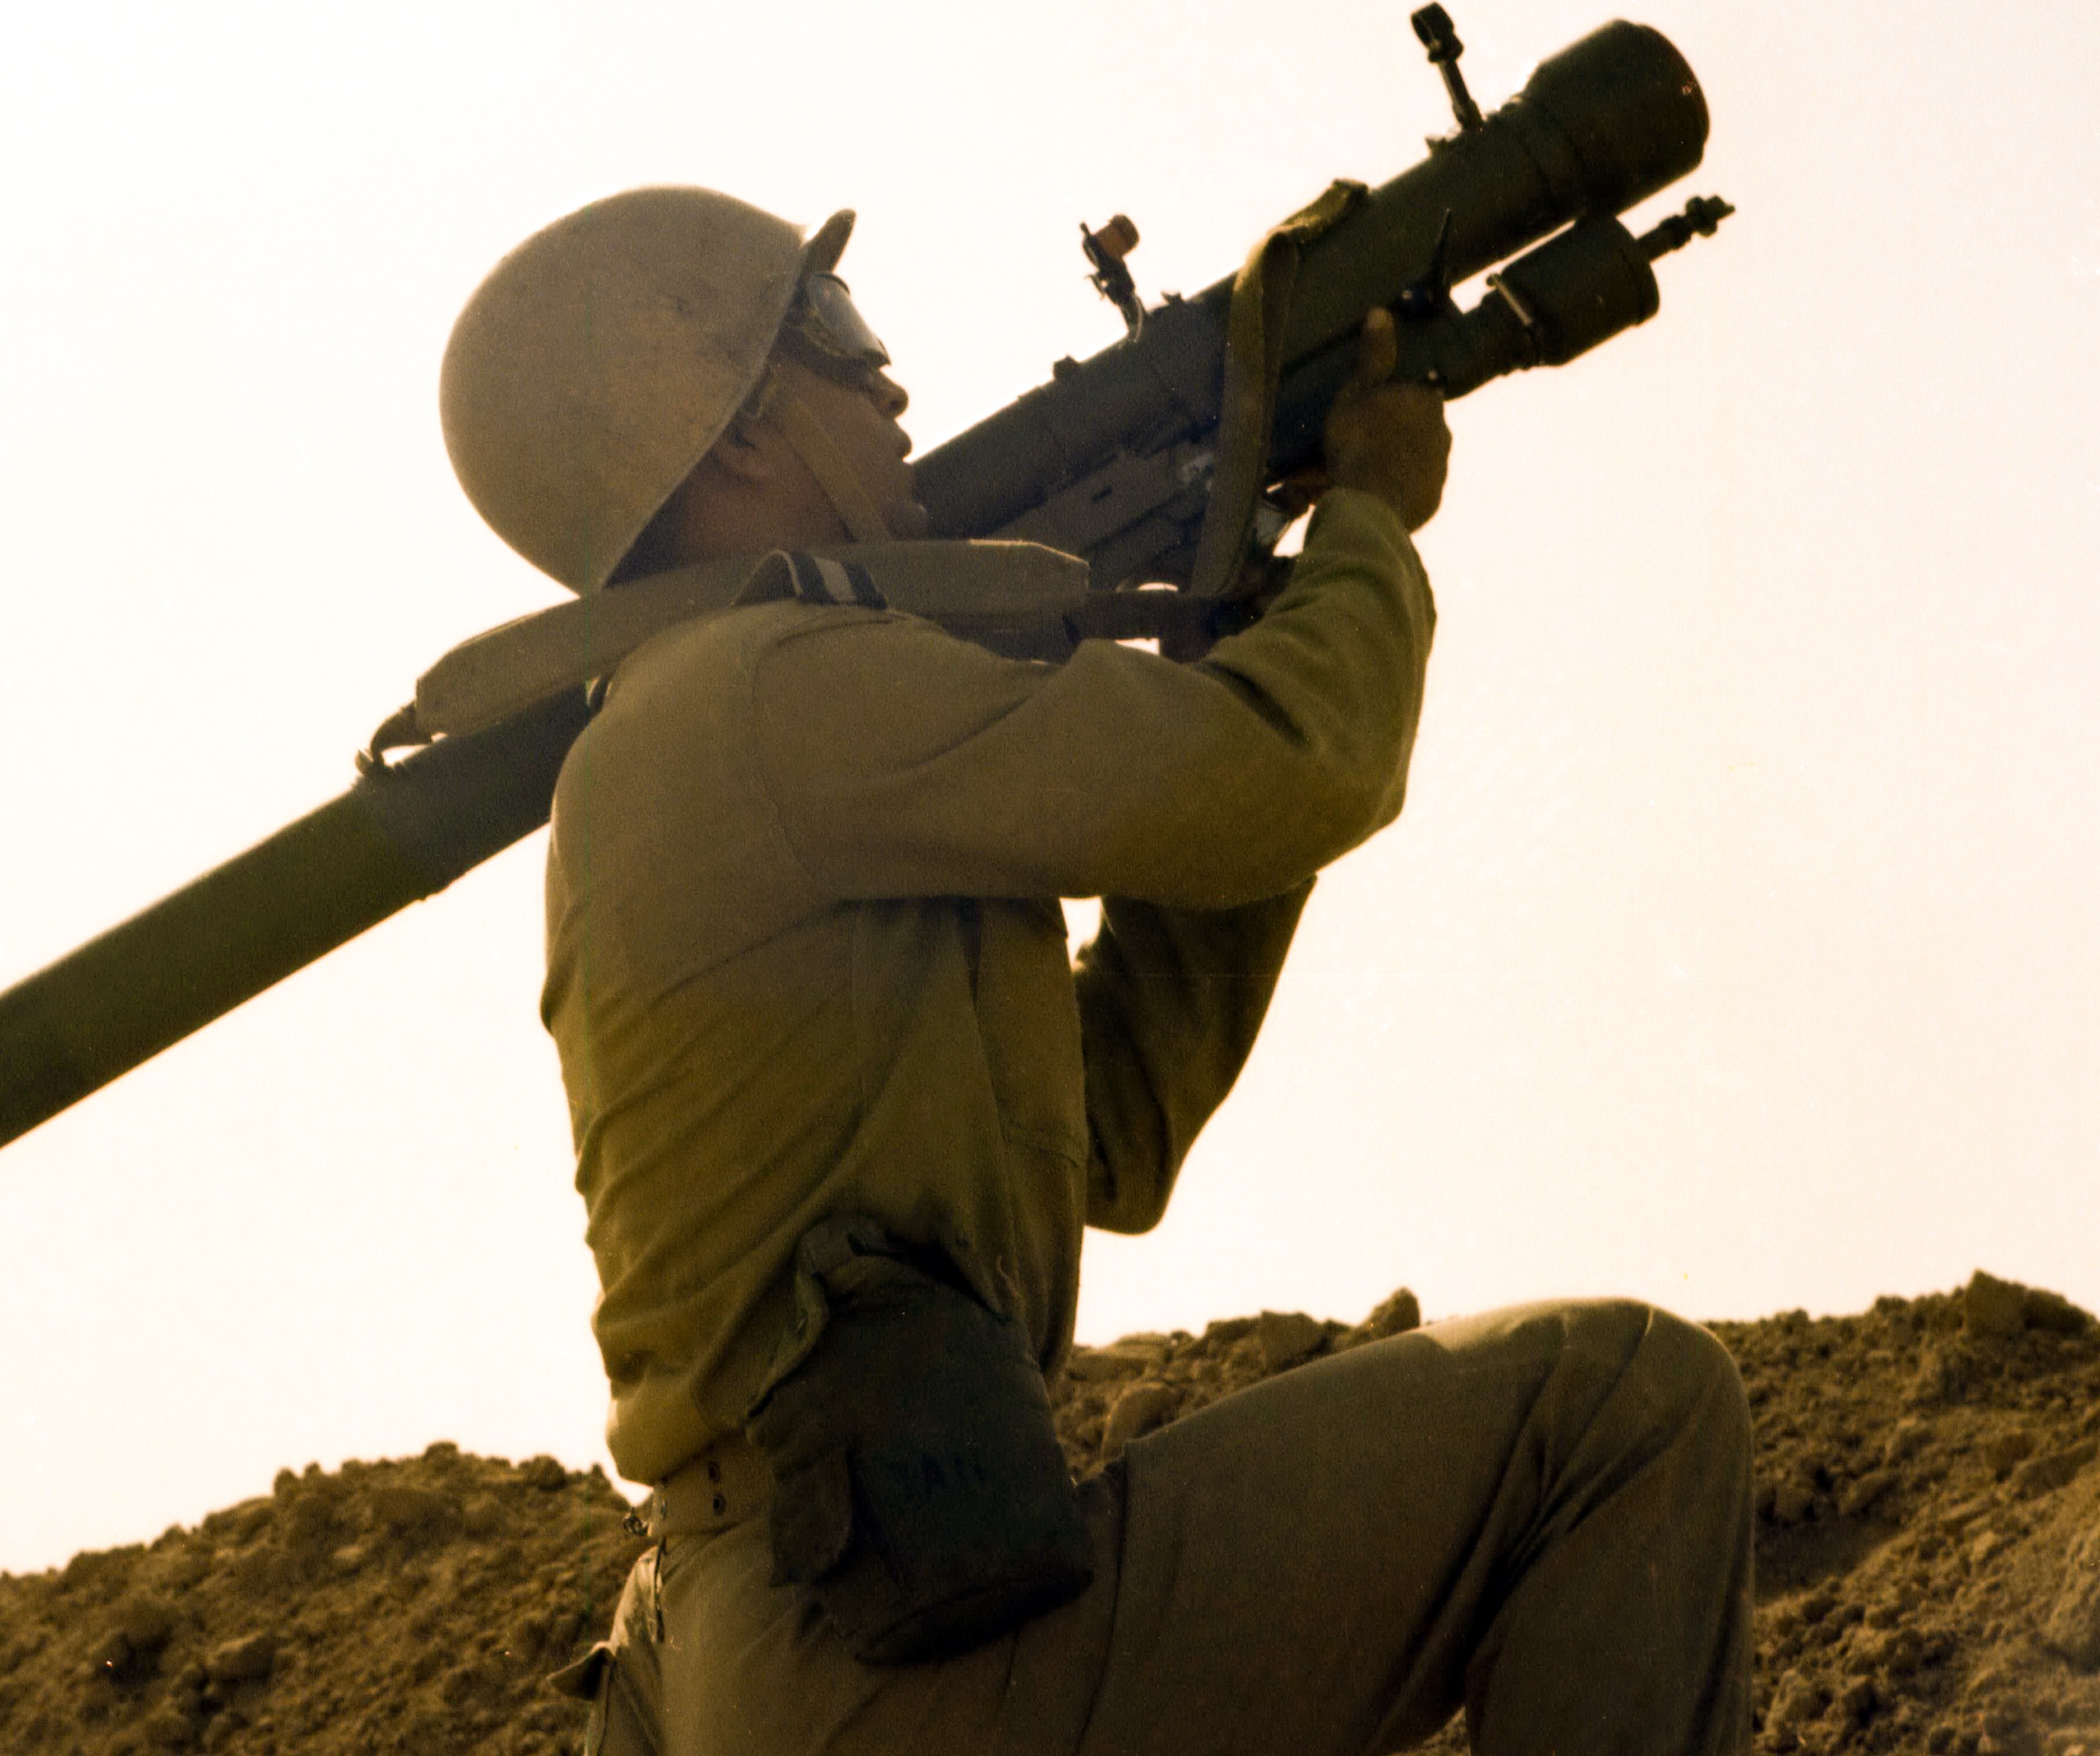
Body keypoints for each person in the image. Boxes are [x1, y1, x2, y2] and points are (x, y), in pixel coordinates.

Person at [438, 187, 1753, 1755]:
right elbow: (1294, 764)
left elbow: (1104, 1131)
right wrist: (1364, 528)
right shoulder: (765, 688)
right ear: (734, 436)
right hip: (880, 1653)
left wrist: (1233, 638)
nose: (890, 388)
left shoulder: (689, 732)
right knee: (1617, 1409)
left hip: (799, 1619)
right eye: (835, 337)